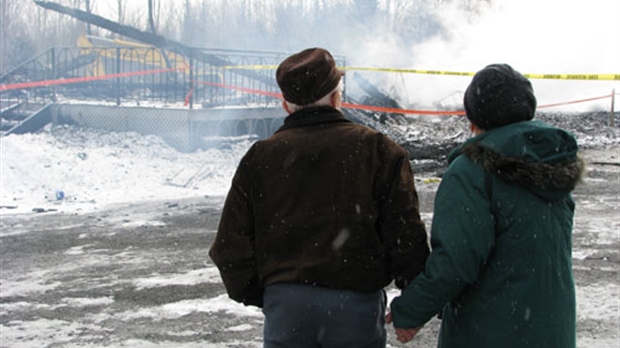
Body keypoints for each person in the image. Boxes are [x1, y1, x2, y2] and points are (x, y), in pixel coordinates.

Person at [209, 47, 430, 348]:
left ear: (286, 105)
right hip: (355, 306)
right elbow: (405, 234)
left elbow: (229, 246)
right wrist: (414, 298)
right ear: (337, 97)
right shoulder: (378, 150)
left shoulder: (260, 158)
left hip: (285, 308)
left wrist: (268, 293)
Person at [387, 64, 584, 348]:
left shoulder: (471, 172)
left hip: (491, 332)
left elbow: (456, 262)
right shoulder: (553, 163)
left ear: (472, 118)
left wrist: (411, 310)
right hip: (553, 331)